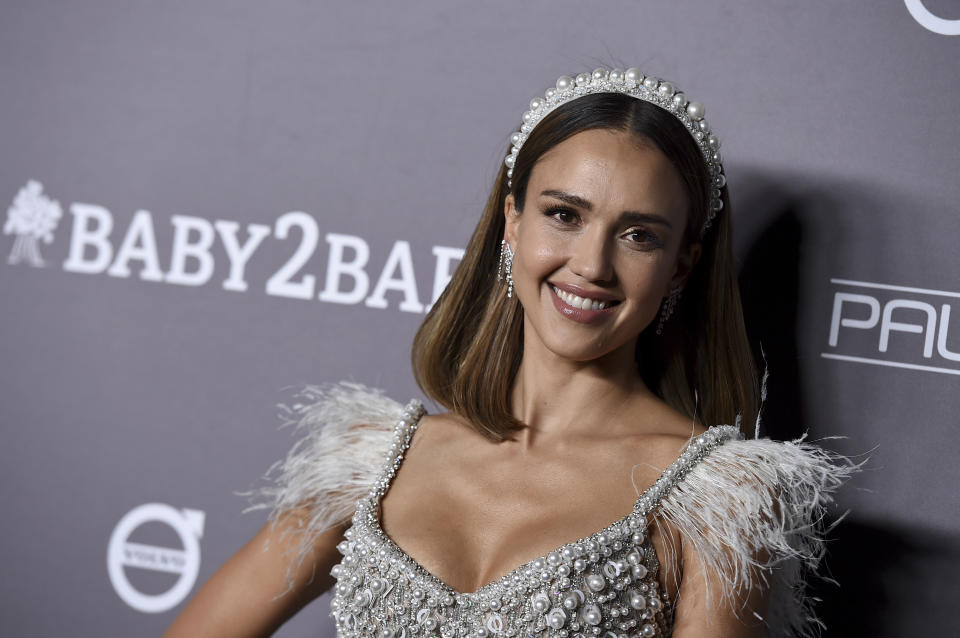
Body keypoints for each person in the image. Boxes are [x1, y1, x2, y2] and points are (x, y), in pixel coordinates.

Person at [164, 67, 858, 638]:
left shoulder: (718, 498)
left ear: (681, 266)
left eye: (638, 235)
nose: (591, 264)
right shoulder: (372, 460)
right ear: (512, 221)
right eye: (564, 214)